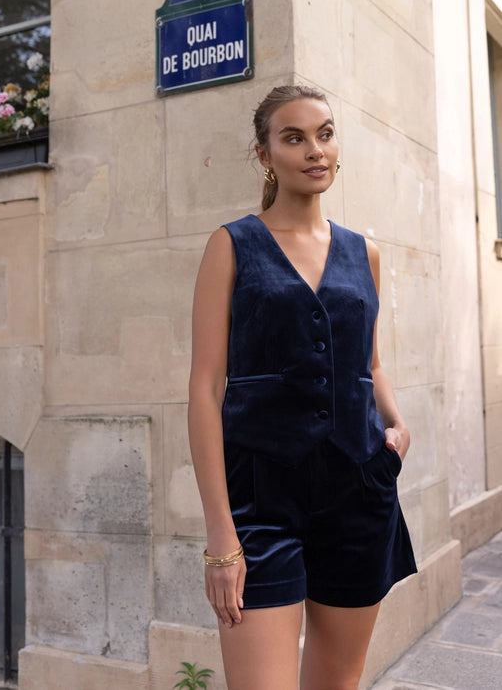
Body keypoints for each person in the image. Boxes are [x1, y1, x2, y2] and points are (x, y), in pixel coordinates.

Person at [188, 85, 417, 690]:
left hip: (358, 493)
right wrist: (220, 537)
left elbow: (370, 361)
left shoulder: (363, 252)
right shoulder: (232, 245)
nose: (315, 150)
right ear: (265, 154)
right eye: (294, 137)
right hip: (260, 503)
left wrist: (396, 424)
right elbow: (206, 388)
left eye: (325, 134)